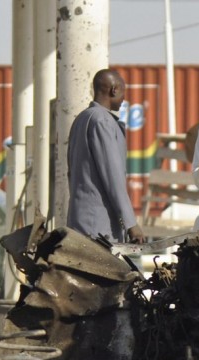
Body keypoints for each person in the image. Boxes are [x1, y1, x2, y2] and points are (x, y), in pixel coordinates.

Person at [67, 69, 144, 244]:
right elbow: (113, 177)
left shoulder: (81, 119)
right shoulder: (102, 121)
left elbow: (70, 172)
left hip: (79, 221)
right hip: (99, 227)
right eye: (123, 92)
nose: (124, 98)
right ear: (114, 90)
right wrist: (131, 224)